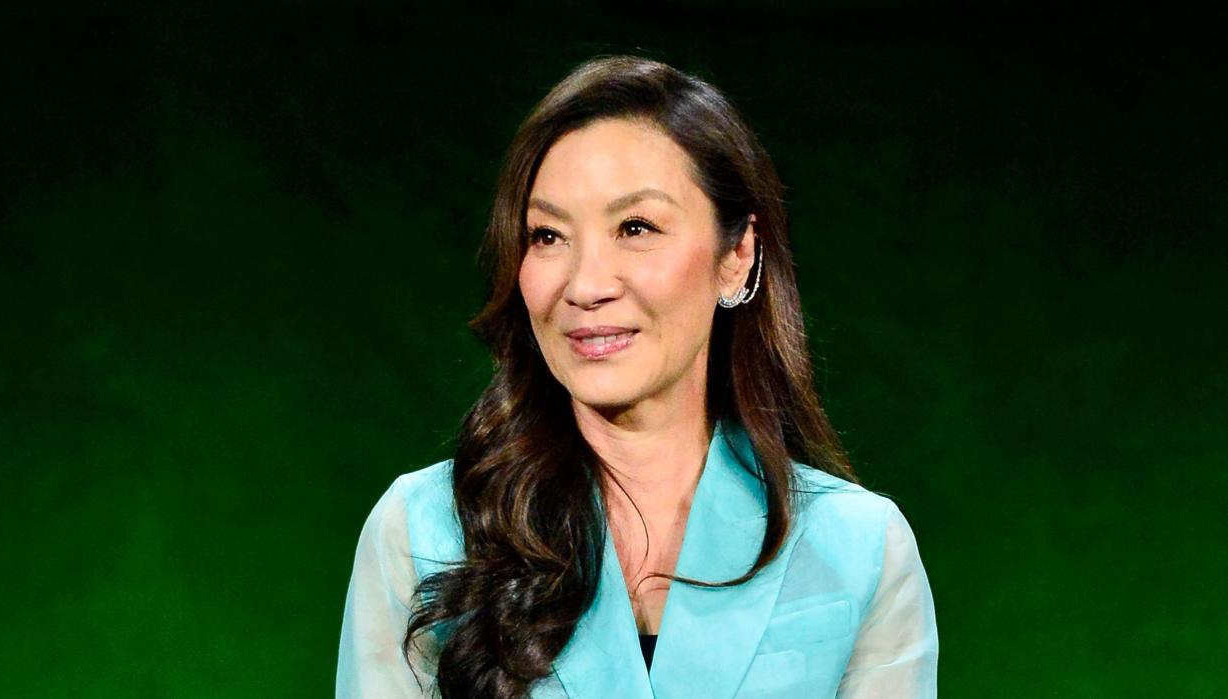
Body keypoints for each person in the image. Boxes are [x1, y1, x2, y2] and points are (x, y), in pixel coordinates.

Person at [336, 54, 938, 698]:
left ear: (737, 256)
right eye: (547, 236)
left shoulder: (858, 547)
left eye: (636, 227)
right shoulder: (423, 530)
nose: (586, 284)